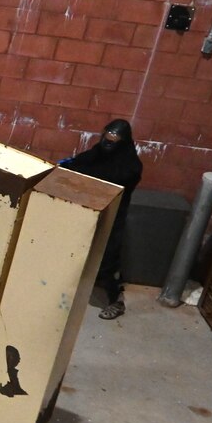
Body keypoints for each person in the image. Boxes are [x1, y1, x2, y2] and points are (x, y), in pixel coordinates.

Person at [60, 119, 143, 320]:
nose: (107, 145)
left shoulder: (130, 166)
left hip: (111, 216)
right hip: (88, 212)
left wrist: (78, 172)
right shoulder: (98, 152)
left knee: (108, 261)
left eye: (112, 142)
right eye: (105, 140)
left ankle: (116, 300)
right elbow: (82, 162)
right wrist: (68, 166)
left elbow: (107, 179)